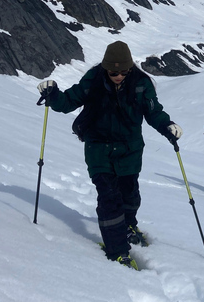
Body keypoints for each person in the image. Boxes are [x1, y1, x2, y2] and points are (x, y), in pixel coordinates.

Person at [37, 41, 183, 270]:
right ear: (105, 68)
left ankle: (128, 225)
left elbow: (153, 111)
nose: (118, 76)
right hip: (98, 149)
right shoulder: (93, 79)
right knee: (109, 199)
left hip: (130, 149)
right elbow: (67, 102)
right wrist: (53, 94)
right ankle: (117, 251)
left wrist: (167, 126)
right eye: (114, 72)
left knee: (130, 195)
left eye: (124, 71)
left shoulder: (141, 83)